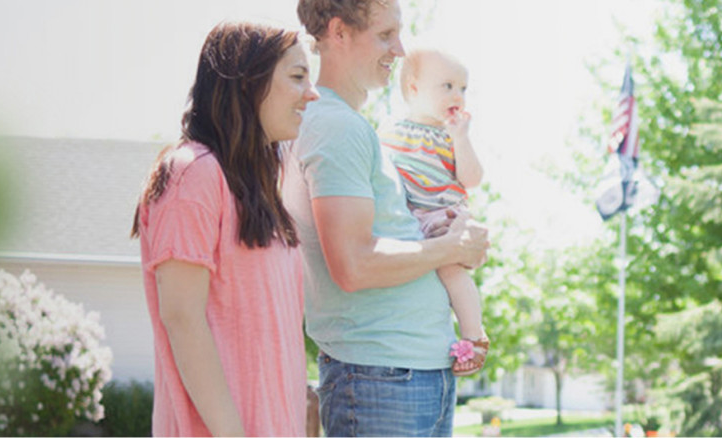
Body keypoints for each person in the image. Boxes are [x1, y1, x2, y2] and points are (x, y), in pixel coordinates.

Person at [284, 0, 490, 436]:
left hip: (406, 375)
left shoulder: (353, 127)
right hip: (383, 379)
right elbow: (354, 264)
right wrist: (453, 246)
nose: (399, 50)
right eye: (385, 35)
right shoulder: (338, 127)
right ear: (338, 33)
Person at [131, 19, 317, 437]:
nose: (312, 92)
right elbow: (181, 316)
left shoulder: (263, 187)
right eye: (298, 76)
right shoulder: (191, 173)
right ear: (249, 82)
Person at [381, 48, 490, 376]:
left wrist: (460, 139)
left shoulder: (450, 134)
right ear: (413, 89)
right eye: (447, 86)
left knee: (451, 271)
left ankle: (475, 336)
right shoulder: (389, 131)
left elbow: (472, 179)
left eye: (463, 88)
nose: (458, 95)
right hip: (408, 218)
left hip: (444, 215)